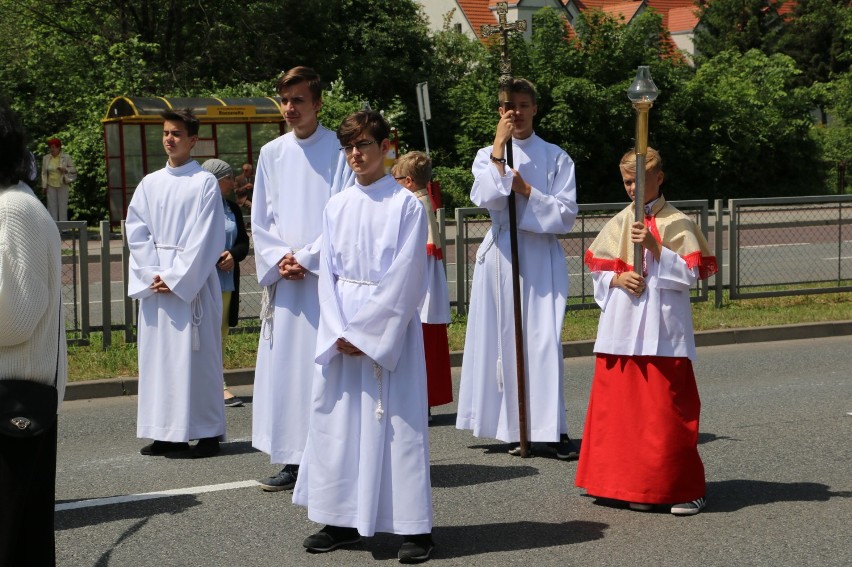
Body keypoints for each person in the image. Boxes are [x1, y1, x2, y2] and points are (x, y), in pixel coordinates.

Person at [293, 110, 435, 563]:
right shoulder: (337, 205)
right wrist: (339, 332)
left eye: (364, 145)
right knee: (339, 424)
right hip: (341, 328)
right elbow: (327, 275)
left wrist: (367, 334)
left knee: (396, 425)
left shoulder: (406, 205)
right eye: (349, 147)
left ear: (385, 147)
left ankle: (414, 527)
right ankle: (339, 519)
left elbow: (408, 278)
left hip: (384, 328)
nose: (356, 154)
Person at [575, 148, 717, 516]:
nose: (633, 187)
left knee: (665, 413)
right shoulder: (620, 221)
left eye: (639, 179)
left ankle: (684, 488)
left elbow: (691, 275)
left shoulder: (678, 222)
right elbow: (598, 273)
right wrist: (617, 277)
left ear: (659, 178)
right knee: (620, 414)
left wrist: (656, 247)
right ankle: (620, 483)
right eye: (627, 181)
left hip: (662, 330)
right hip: (621, 328)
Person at [455, 77, 580, 458]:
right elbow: (486, 196)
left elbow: (565, 215)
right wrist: (497, 148)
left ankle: (551, 429)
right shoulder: (486, 154)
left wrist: (527, 190)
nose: (518, 113)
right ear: (500, 112)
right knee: (502, 339)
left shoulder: (557, 156)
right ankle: (513, 425)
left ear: (535, 108)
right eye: (510, 107)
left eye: (524, 105)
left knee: (543, 340)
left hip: (539, 255)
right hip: (502, 255)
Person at [251, 66, 353, 491]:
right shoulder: (271, 153)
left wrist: (307, 257)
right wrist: (279, 258)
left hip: (321, 277)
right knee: (287, 371)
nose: (290, 108)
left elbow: (342, 210)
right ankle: (292, 458)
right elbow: (261, 216)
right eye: (285, 100)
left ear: (318, 104)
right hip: (286, 281)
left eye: (298, 100)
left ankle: (325, 457)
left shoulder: (338, 149)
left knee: (320, 368)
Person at [126, 109, 226, 459]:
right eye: (166, 133)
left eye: (178, 134)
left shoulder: (204, 183)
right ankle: (165, 432)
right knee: (159, 360)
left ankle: (207, 433)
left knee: (198, 360)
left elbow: (207, 238)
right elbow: (136, 230)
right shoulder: (150, 183)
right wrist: (153, 272)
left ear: (193, 140)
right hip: (156, 284)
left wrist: (176, 276)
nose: (170, 139)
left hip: (191, 285)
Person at [0, 102, 67, 567]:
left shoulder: (12, 210)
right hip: (22, 398)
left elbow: (16, 317)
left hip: (12, 400)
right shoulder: (17, 202)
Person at [392, 152, 453, 417]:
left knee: (421, 349)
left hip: (421, 294)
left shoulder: (415, 205)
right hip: (427, 290)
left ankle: (420, 403)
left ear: (407, 181)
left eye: (395, 179)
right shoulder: (421, 201)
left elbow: (420, 255)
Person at [201, 159, 250, 408]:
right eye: (230, 177)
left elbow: (243, 242)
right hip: (201, 283)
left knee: (219, 335)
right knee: (203, 336)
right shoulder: (196, 206)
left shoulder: (232, 207)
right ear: (217, 180)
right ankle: (210, 386)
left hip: (226, 283)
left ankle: (217, 385)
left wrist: (233, 254)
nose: (234, 181)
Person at [40, 137, 77, 222]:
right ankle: (54, 228)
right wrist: (44, 186)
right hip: (50, 185)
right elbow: (44, 173)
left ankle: (64, 228)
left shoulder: (66, 157)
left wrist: (65, 169)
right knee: (52, 207)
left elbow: (74, 170)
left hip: (62, 184)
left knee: (62, 206)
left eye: (53, 147)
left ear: (58, 147)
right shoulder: (46, 158)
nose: (51, 149)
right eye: (50, 147)